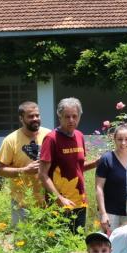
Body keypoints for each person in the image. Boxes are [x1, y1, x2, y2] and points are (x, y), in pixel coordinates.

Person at [0, 101, 51, 225]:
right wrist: (24, 170)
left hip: (48, 201)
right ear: (21, 118)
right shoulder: (10, 140)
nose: (35, 119)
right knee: (23, 242)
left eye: (37, 115)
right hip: (21, 203)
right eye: (30, 116)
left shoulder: (49, 135)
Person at [39, 98, 89, 233]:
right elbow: (43, 174)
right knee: (59, 245)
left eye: (75, 116)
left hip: (79, 201)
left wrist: (96, 163)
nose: (71, 120)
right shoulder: (51, 139)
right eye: (67, 116)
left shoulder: (79, 136)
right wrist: (59, 199)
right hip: (59, 204)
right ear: (59, 117)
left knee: (78, 242)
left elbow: (76, 168)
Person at [96, 125, 127, 234]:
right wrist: (103, 214)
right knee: (108, 245)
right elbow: (99, 187)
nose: (123, 143)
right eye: (120, 139)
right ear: (114, 139)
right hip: (110, 213)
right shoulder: (107, 159)